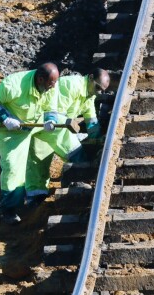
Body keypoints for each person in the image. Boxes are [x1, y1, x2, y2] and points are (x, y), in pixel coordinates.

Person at [0, 62, 61, 225]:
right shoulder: (14, 85)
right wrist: (6, 119)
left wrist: (50, 121)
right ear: (40, 79)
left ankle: (36, 194)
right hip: (10, 131)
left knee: (42, 152)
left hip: (33, 121)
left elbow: (51, 107)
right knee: (13, 168)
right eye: (50, 84)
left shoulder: (52, 83)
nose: (53, 87)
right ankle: (9, 209)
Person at [25, 67, 111, 206]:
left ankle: (38, 194)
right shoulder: (72, 85)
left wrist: (98, 137)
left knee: (39, 158)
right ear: (90, 78)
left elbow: (91, 119)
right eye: (97, 87)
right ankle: (35, 196)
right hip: (47, 122)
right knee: (71, 153)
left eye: (102, 91)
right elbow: (56, 112)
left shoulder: (89, 95)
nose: (98, 92)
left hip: (56, 126)